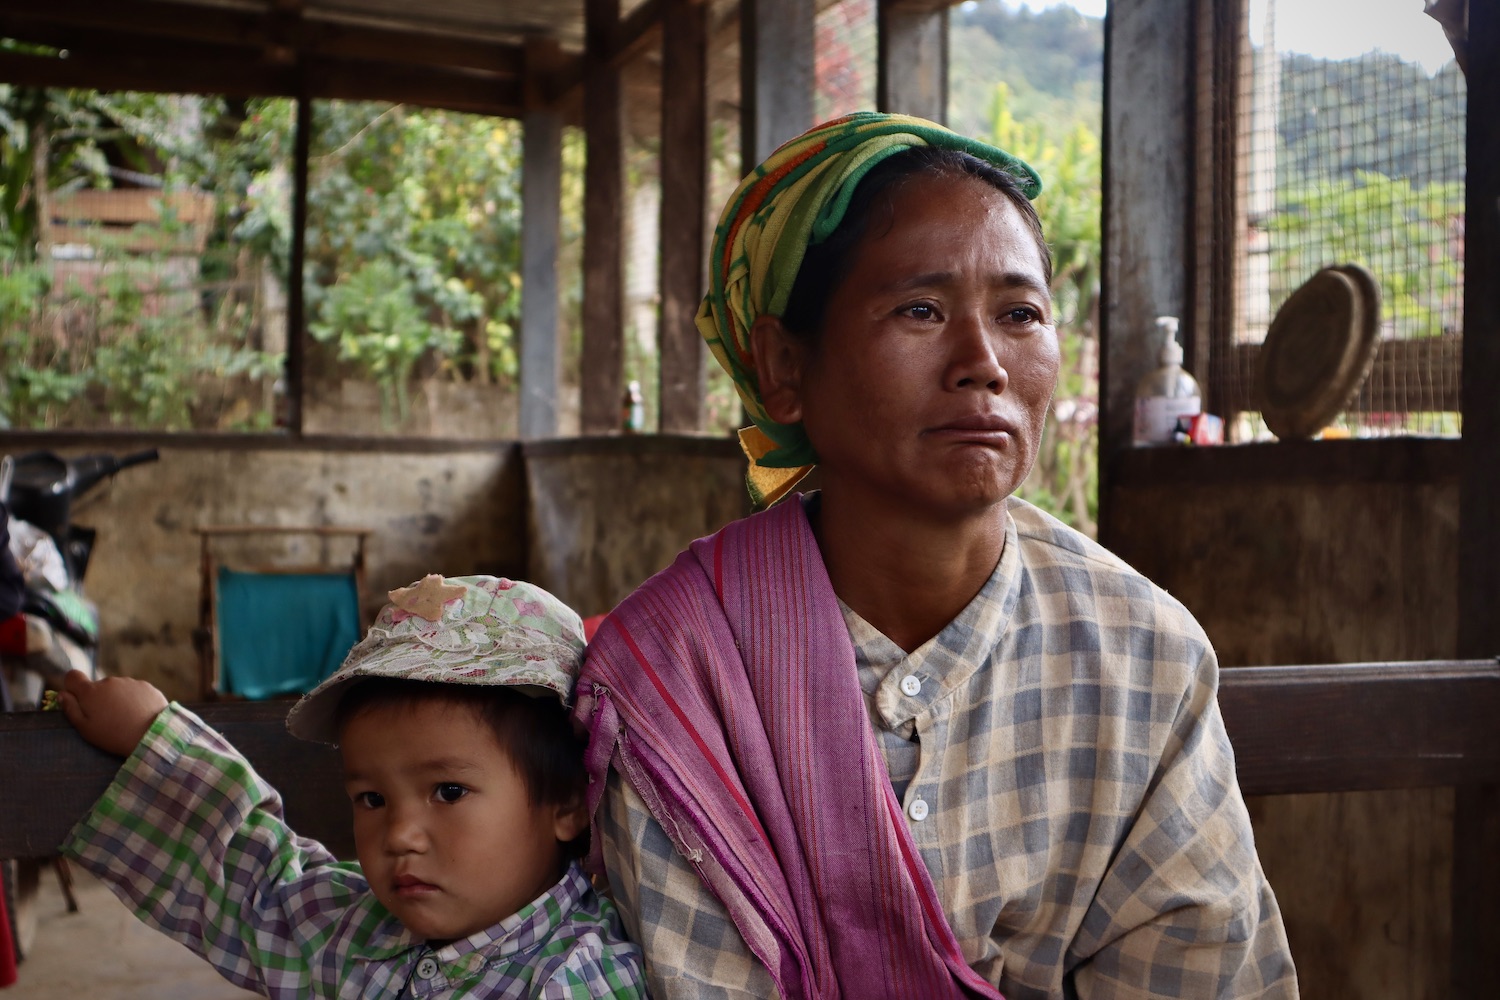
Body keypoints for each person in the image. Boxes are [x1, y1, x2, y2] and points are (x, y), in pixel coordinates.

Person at [573, 112, 1298, 999]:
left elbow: (1201, 972)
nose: (983, 362)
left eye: (1020, 314)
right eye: (919, 309)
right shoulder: (677, 673)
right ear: (783, 366)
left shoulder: (1143, 656)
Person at [58, 573, 646, 999]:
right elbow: (252, 880)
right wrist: (153, 739)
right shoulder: (352, 932)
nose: (399, 834)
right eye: (372, 799)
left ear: (566, 800)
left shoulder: (582, 979)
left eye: (447, 792)